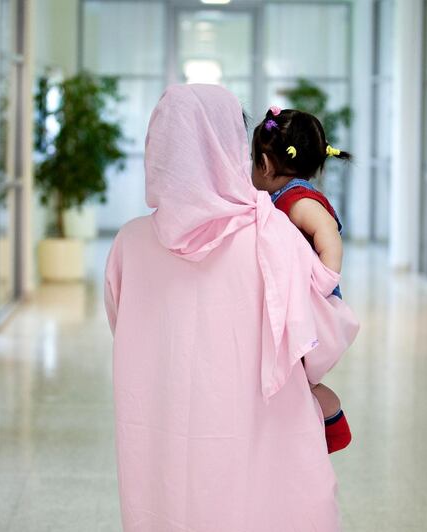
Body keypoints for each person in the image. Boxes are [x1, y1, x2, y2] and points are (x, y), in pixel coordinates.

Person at [104, 84, 359, 532]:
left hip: (161, 430)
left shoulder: (128, 243)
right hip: (262, 438)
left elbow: (124, 327)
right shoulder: (270, 236)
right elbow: (320, 344)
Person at [250, 106, 353, 454]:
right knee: (295, 376)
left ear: (264, 165)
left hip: (313, 301)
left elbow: (327, 231)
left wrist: (324, 279)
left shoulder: (295, 200)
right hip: (304, 298)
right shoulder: (286, 197)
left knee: (298, 376)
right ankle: (318, 420)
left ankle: (330, 418)